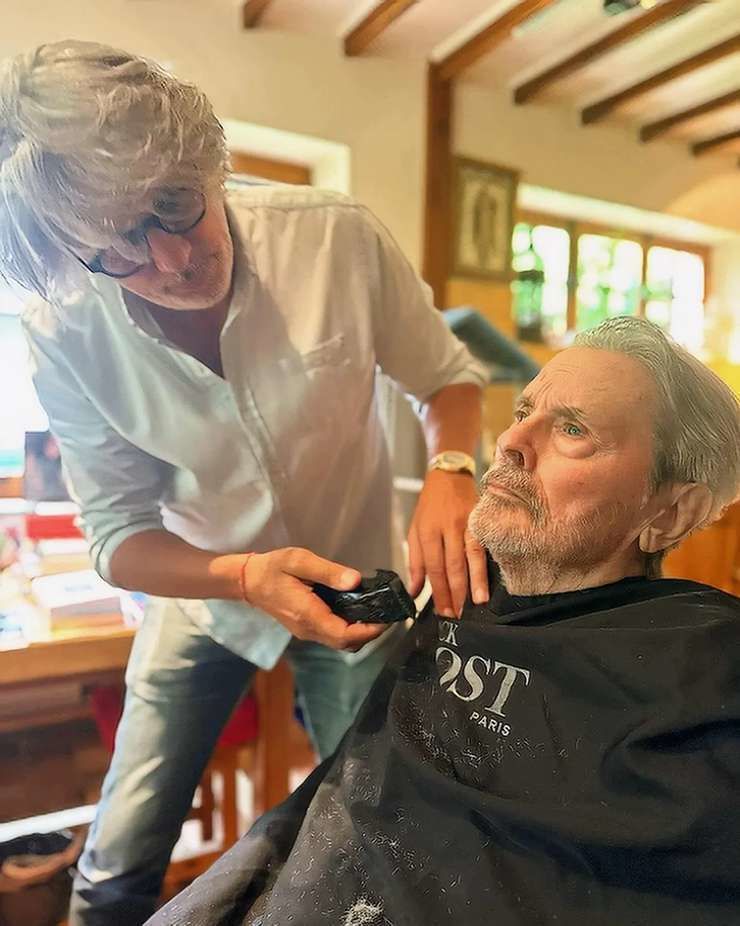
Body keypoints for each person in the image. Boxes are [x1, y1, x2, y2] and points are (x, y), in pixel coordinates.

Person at [0, 41, 490, 926]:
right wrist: (244, 577)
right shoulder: (62, 328)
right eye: (119, 251)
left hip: (354, 583)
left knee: (376, 827)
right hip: (205, 596)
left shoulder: (335, 237)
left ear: (207, 158)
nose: (173, 261)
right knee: (118, 858)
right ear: (75, 256)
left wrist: (453, 469)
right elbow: (117, 536)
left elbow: (447, 377)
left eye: (175, 205)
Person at [149, 317, 740, 926]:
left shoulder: (706, 668)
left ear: (671, 513)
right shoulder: (464, 588)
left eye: (573, 430)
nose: (510, 442)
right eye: (523, 412)